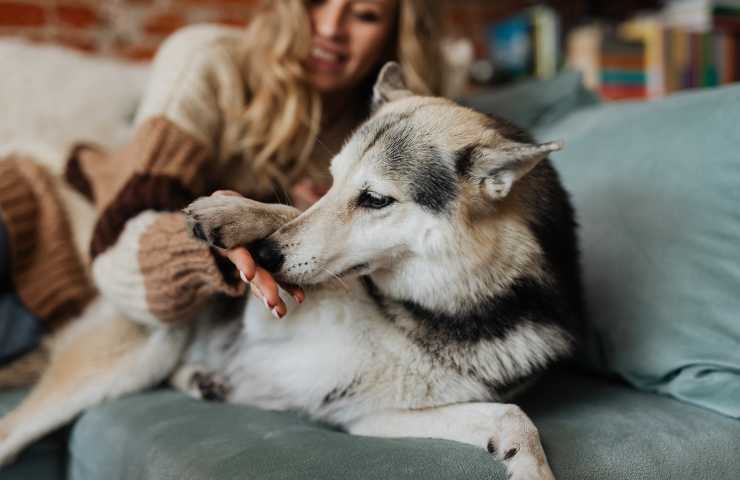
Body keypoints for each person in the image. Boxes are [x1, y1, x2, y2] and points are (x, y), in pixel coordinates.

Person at [0, 0, 444, 362]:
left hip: (68, 308)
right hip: (40, 216)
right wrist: (215, 245)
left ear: (395, 32)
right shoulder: (208, 60)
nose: (330, 28)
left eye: (365, 15)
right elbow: (116, 251)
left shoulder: (387, 137)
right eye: (314, 3)